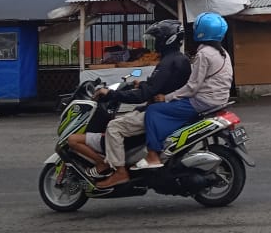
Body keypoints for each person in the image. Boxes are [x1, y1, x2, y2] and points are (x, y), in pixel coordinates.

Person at [93, 19, 191, 189]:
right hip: (169, 107)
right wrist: (143, 84)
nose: (154, 43)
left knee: (114, 127)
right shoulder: (178, 59)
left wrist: (112, 94)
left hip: (160, 110)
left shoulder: (168, 62)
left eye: (156, 39)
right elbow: (159, 86)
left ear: (166, 39)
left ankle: (120, 172)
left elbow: (143, 95)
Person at [135, 12, 233, 169]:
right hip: (219, 99)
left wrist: (167, 97)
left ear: (201, 30)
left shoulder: (204, 54)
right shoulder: (222, 52)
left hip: (202, 101)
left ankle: (153, 155)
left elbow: (192, 87)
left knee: (154, 110)